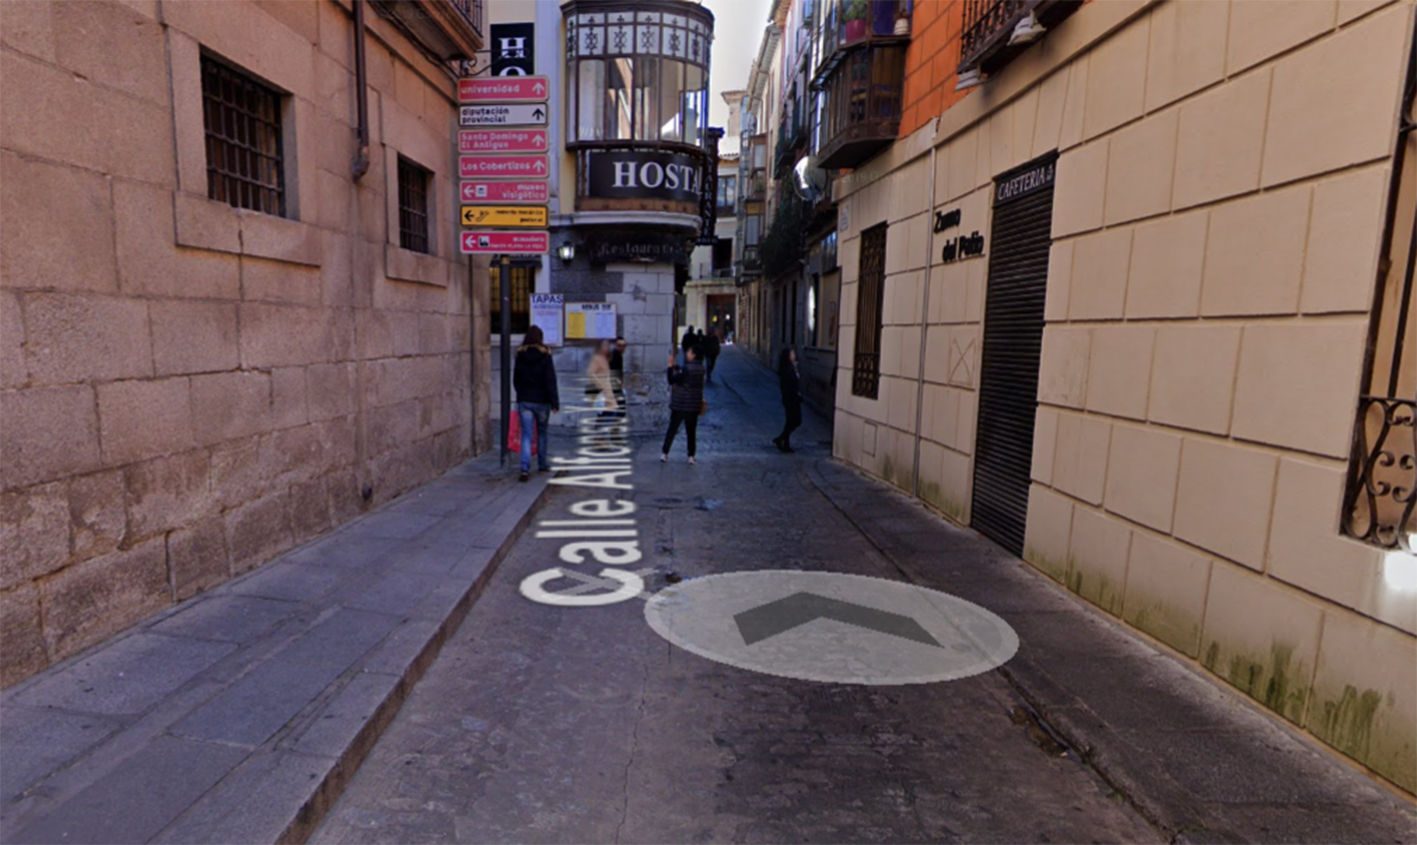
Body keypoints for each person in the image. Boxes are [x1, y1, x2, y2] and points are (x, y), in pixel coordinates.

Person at [512, 325, 559, 481]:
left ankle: (524, 467)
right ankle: (542, 463)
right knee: (542, 433)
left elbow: (516, 379)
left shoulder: (520, 355)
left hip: (525, 400)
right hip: (542, 400)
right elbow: (550, 380)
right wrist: (554, 402)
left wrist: (521, 394)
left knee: (526, 434)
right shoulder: (545, 355)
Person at [662, 344, 706, 465]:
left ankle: (665, 453)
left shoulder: (687, 369)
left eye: (689, 352)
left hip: (681, 405)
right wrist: (677, 367)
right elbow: (685, 373)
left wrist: (670, 367)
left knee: (672, 429)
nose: (687, 354)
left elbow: (672, 380)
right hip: (693, 406)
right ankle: (691, 456)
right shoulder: (701, 368)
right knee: (691, 432)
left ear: (694, 355)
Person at [773, 347, 802, 453]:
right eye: (792, 354)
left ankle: (785, 443)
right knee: (795, 420)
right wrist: (796, 372)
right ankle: (781, 439)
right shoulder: (788, 370)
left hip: (790, 398)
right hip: (791, 399)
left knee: (790, 421)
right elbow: (793, 383)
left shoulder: (788, 368)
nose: (794, 355)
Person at [586, 339, 618, 418]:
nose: (606, 347)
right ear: (600, 347)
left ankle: (601, 429)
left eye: (607, 345)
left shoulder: (605, 358)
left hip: (608, 391)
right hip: (603, 391)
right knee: (608, 414)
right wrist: (600, 385)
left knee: (606, 415)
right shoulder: (597, 358)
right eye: (604, 345)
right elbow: (590, 373)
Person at [610, 336, 627, 417]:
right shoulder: (615, 356)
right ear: (615, 345)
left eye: (624, 346)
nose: (622, 348)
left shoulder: (618, 355)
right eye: (619, 345)